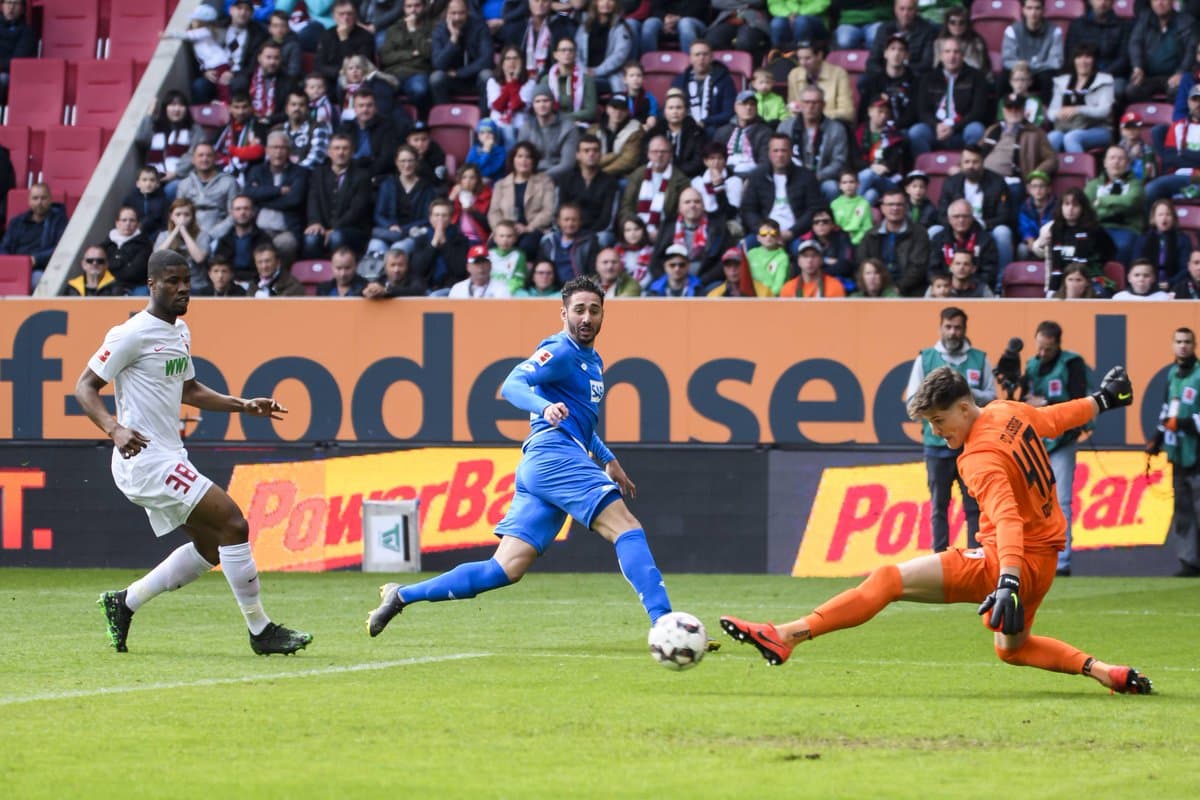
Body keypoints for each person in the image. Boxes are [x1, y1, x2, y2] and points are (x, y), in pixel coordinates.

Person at [720, 364, 1155, 700]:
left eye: (938, 419)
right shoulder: (1008, 411)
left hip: (1006, 561)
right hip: (1036, 560)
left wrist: (1006, 579)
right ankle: (1106, 672)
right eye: (927, 422)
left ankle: (785, 635)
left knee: (888, 579)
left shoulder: (977, 458)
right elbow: (1055, 418)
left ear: (964, 407)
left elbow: (1006, 518)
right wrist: (1102, 399)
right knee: (1013, 650)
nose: (934, 430)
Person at [367, 275, 684, 644]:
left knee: (504, 569)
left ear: (603, 316)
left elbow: (580, 420)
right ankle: (666, 625)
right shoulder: (560, 350)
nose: (586, 318)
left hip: (547, 462)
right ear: (563, 312)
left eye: (594, 311)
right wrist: (544, 406)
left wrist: (607, 458)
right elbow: (514, 385)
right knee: (626, 528)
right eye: (578, 310)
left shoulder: (592, 360)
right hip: (554, 455)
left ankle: (401, 595)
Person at [78, 250, 312, 657]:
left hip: (169, 455)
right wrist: (113, 428)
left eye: (186, 280)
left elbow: (189, 390)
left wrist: (243, 405)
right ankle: (261, 631)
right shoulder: (130, 334)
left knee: (211, 547)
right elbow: (84, 386)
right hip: (144, 460)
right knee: (235, 524)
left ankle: (124, 603)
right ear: (152, 284)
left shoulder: (179, 331)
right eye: (172, 281)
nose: (183, 288)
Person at [904, 307, 992, 553]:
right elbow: (912, 400)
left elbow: (992, 397)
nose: (953, 332)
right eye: (948, 327)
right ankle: (940, 558)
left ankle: (978, 555)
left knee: (975, 504)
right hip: (936, 446)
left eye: (958, 328)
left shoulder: (980, 359)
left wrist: (961, 394)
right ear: (941, 328)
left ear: (965, 329)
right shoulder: (926, 358)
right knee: (939, 505)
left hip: (972, 444)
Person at [1018, 321, 1089, 576]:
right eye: (1039, 347)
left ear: (1057, 344)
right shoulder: (1032, 365)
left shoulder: (1072, 363)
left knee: (1063, 500)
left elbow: (1079, 399)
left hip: (1062, 439)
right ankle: (1033, 555)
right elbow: (1021, 398)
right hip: (1035, 441)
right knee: (1031, 500)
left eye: (1047, 349)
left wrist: (1046, 402)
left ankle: (1063, 561)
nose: (1042, 353)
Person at [1147, 327, 1200, 577]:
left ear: (1194, 345)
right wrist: (1156, 440)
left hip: (1197, 450)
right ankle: (1189, 561)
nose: (1183, 346)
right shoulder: (1172, 375)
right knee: (1183, 509)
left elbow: (1183, 417)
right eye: (1178, 341)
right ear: (1172, 345)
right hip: (1178, 451)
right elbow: (1167, 410)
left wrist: (1185, 424)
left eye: (1187, 342)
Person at [856, 188, 930, 296]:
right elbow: (862, 263)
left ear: (905, 207)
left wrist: (898, 288)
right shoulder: (870, 235)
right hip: (876, 290)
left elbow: (918, 267)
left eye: (899, 204)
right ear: (882, 208)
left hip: (909, 290)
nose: (895, 208)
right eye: (890, 204)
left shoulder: (919, 233)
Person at [1047, 43, 1116, 154]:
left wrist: (1078, 109)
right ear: (1074, 60)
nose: (1083, 61)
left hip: (1099, 129)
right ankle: (1048, 171)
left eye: (1087, 57)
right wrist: (1059, 113)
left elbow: (1105, 111)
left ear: (1094, 60)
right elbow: (1050, 113)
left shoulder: (1105, 80)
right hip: (1067, 127)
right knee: (1052, 137)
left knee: (1071, 138)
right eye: (1079, 57)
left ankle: (1077, 170)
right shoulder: (1062, 81)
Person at [1085, 146, 1145, 266]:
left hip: (1126, 228)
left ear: (1127, 163)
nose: (1116, 162)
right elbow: (1086, 210)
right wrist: (1118, 206)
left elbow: (1130, 202)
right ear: (1105, 162)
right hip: (1099, 228)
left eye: (1120, 158)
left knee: (1122, 247)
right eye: (1112, 158)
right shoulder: (1093, 185)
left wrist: (1101, 201)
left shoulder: (1136, 185)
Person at [0, 182, 67, 287]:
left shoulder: (59, 221)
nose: (39, 202)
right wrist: (9, 263)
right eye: (35, 198)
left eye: (43, 198)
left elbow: (61, 248)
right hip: (16, 268)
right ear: (29, 201)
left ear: (50, 200)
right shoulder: (16, 222)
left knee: (39, 282)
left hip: (39, 268)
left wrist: (36, 259)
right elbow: (4, 247)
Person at [430, 0, 495, 105]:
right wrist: (453, 40)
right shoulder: (439, 30)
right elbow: (438, 64)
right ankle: (444, 118)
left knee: (487, 75)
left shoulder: (480, 26)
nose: (457, 18)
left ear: (467, 12)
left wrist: (459, 73)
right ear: (447, 13)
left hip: (474, 77)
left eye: (461, 13)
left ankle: (484, 119)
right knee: (436, 78)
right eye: (453, 13)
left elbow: (487, 60)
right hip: (452, 80)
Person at [1001, 0, 1064, 100]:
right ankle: (1003, 111)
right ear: (1023, 10)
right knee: (1003, 78)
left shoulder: (1055, 31)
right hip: (1019, 72)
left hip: (1042, 73)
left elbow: (1056, 62)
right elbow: (1007, 60)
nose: (1033, 13)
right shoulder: (1012, 30)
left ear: (1043, 10)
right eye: (1029, 8)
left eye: (1037, 8)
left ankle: (1043, 111)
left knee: (1048, 77)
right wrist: (1020, 68)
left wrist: (1030, 66)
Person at [103, 206, 153, 294]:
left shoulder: (145, 245)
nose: (128, 223)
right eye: (124, 220)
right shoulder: (106, 244)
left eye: (132, 220)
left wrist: (114, 265)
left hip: (136, 288)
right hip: (107, 287)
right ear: (117, 223)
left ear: (137, 224)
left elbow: (134, 272)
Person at [779, 239, 845, 297]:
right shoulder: (787, 288)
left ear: (821, 260)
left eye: (814, 256)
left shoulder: (835, 286)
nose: (810, 260)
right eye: (805, 256)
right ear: (798, 261)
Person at [60, 245, 126, 297]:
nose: (94, 264)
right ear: (83, 264)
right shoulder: (72, 288)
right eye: (90, 261)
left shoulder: (116, 288)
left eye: (100, 261)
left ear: (106, 265)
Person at [362, 247, 428, 297]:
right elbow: (360, 291)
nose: (396, 270)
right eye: (392, 265)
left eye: (400, 265)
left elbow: (417, 291)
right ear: (385, 267)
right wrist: (367, 292)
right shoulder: (379, 280)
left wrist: (386, 291)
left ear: (407, 266)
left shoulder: (415, 278)